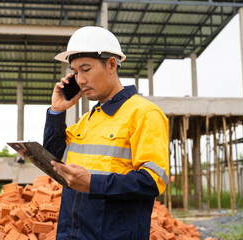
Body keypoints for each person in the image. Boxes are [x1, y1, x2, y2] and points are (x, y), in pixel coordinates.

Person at [43, 26, 169, 240]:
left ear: (111, 64)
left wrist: (93, 184)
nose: (80, 80)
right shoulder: (89, 119)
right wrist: (56, 111)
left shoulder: (144, 114)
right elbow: (54, 159)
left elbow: (152, 181)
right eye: (75, 72)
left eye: (86, 69)